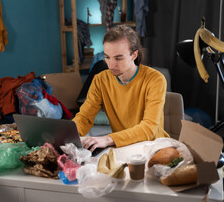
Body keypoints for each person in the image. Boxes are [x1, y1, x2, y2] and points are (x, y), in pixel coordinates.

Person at [72, 25, 170, 153]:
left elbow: (149, 128)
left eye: (118, 58)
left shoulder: (155, 79)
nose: (111, 65)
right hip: (123, 147)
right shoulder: (101, 80)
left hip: (152, 148)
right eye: (107, 57)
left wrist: (107, 139)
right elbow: (85, 117)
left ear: (134, 55)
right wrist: (68, 135)